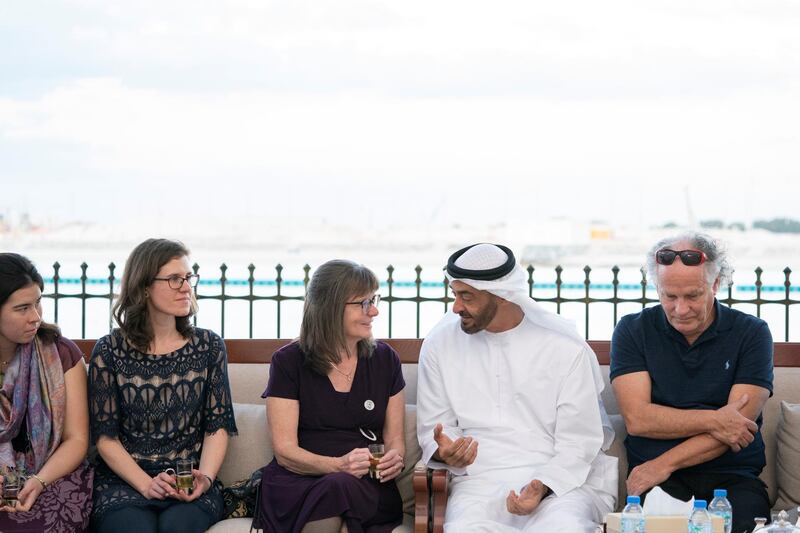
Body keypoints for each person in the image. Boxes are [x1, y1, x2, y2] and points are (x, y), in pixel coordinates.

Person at [417, 243, 617, 532]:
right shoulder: (439, 345)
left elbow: (579, 440)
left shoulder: (564, 348)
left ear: (502, 296)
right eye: (455, 294)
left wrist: (543, 485)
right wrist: (445, 450)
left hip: (561, 483)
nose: (456, 307)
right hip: (477, 483)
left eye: (467, 296)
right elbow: (436, 428)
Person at [610, 232, 772, 533]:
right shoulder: (632, 331)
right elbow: (638, 419)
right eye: (669, 296)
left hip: (732, 477)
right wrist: (716, 419)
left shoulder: (752, 333)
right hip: (659, 481)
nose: (680, 310)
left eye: (692, 296)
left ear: (715, 284)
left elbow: (739, 427)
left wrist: (663, 463)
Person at [88, 238, 238, 533]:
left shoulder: (208, 346)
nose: (186, 286)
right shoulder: (109, 350)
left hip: (188, 479)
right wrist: (146, 484)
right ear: (143, 287)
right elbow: (106, 438)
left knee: (177, 527)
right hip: (125, 481)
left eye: (188, 277)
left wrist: (205, 478)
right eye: (173, 279)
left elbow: (217, 426)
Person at [257, 260, 405, 533]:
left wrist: (395, 458)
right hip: (301, 481)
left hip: (366, 483)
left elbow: (395, 438)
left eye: (374, 300)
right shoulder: (288, 362)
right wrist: (338, 466)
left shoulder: (386, 360)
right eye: (363, 303)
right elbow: (285, 451)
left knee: (343, 487)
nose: (374, 310)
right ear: (330, 307)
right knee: (338, 485)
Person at [0, 253, 93, 532]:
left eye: (38, 302)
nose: (36, 317)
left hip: (53, 475)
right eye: (22, 308)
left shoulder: (61, 353)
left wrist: (38, 481)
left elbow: (77, 440)